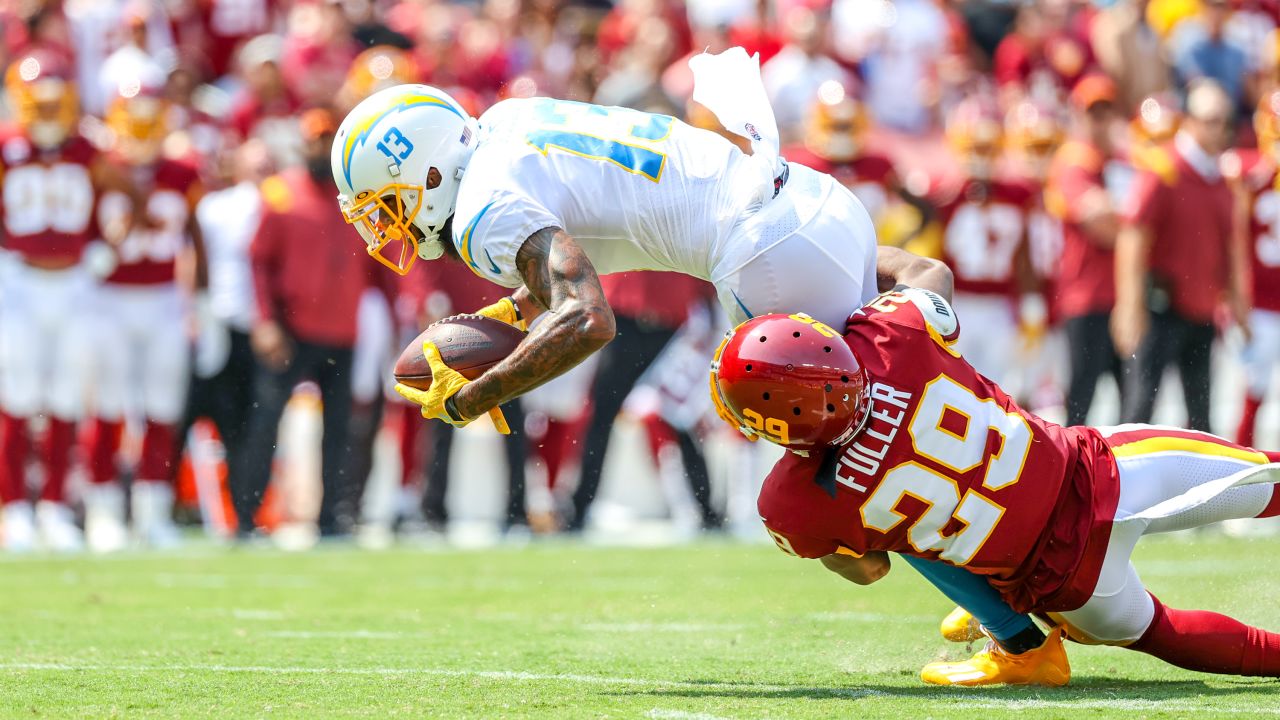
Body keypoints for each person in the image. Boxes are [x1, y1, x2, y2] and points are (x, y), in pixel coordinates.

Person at [332, 48, 1050, 684]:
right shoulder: (510, 122)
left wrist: (473, 396)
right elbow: (585, 234)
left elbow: (587, 316)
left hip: (768, 256)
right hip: (811, 203)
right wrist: (509, 318)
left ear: (425, 168)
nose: (387, 225)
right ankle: (997, 571)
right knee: (910, 406)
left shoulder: (480, 210)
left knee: (848, 492)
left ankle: (1017, 637)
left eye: (387, 204)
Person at [712, 289, 1280, 685]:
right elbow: (928, 275)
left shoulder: (792, 504)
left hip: (1061, 583)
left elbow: (869, 568)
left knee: (1162, 631)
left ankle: (1011, 628)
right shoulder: (895, 335)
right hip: (1100, 473)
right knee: (1267, 477)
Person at [234, 108, 373, 538]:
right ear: (303, 143)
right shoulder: (279, 194)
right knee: (265, 423)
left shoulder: (357, 198)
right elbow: (258, 264)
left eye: (330, 139)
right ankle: (246, 517)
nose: (323, 147)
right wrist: (265, 322)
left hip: (342, 330)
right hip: (292, 331)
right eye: (317, 139)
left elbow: (381, 269)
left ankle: (332, 516)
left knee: (339, 431)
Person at [83, 66, 206, 552]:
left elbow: (194, 237)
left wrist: (198, 300)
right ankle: (103, 510)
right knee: (109, 406)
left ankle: (153, 509)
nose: (139, 127)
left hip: (161, 300)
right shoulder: (100, 167)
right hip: (108, 299)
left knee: (161, 407)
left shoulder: (182, 171)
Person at [0, 50, 103, 552]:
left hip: (75, 281)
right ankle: (14, 507)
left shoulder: (89, 150)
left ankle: (56, 507)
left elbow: (113, 202)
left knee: (65, 395)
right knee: (16, 396)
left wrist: (104, 244)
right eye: (36, 105)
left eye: (52, 105)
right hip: (16, 279)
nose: (43, 115)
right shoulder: (5, 145)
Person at [1112, 79, 1248, 431]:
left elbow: (1230, 245)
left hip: (1202, 310)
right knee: (1141, 407)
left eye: (1223, 121)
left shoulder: (1220, 177)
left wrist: (1236, 300)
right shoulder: (1164, 170)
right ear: (1189, 120)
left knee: (1202, 416)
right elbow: (1133, 237)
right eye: (1210, 120)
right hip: (1162, 306)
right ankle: (1117, 483)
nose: (1219, 129)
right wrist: (1130, 305)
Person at [1044, 75, 1125, 426]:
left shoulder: (1120, 159)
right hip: (1085, 295)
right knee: (1081, 397)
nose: (1100, 121)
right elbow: (1102, 226)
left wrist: (1117, 212)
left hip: (1122, 296)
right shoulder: (1073, 161)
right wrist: (1134, 224)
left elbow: (1111, 220)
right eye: (1093, 112)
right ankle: (1071, 479)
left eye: (1106, 112)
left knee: (1133, 398)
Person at [1228, 90, 1280, 447]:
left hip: (1264, 298)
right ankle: (1243, 462)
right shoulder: (1248, 171)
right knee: (1252, 390)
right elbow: (1232, 231)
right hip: (1259, 300)